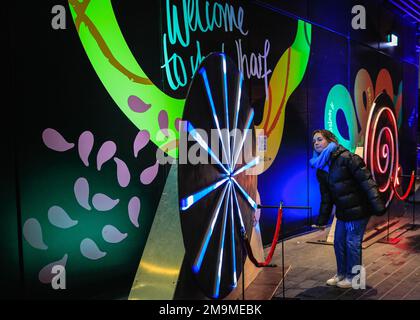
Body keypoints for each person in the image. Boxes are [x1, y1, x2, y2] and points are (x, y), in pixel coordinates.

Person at [310, 129, 385, 289]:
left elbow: (367, 181)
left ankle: (354, 278)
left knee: (352, 243)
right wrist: (322, 220)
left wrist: (378, 206)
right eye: (314, 141)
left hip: (358, 210)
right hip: (344, 212)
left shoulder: (348, 158)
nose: (316, 143)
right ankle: (342, 274)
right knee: (338, 242)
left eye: (319, 139)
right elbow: (327, 197)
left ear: (330, 141)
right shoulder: (322, 167)